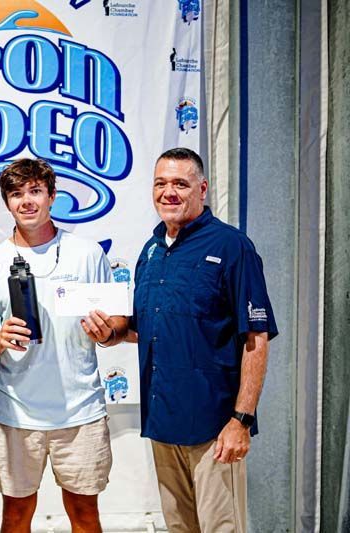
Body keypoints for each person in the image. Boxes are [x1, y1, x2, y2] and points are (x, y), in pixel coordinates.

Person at [0, 158, 128, 533]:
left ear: (52, 196)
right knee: (14, 516)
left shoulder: (87, 253)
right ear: (7, 203)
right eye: (15, 194)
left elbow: (121, 323)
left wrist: (106, 332)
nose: (26, 201)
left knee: (85, 515)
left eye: (35, 191)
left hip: (80, 411)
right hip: (16, 412)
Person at [127, 148, 277, 532]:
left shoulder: (231, 246)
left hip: (214, 428)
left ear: (203, 189)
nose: (169, 192)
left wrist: (241, 421)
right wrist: (108, 333)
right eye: (161, 183)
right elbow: (149, 327)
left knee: (220, 528)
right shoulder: (152, 249)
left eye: (181, 183)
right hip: (163, 423)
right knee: (180, 528)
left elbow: (256, 337)